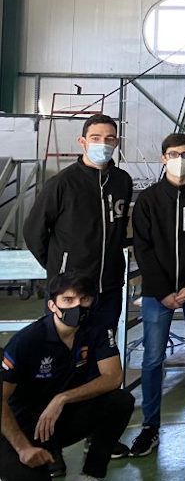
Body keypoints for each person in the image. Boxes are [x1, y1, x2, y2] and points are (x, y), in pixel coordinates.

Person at [0, 274, 135, 481]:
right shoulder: (27, 341)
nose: (77, 306)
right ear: (53, 305)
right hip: (19, 426)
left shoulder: (97, 330)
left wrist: (62, 398)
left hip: (56, 420)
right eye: (68, 299)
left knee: (120, 401)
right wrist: (23, 448)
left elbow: (113, 377)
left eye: (84, 299)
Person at [126, 133, 185, 457]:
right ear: (163, 158)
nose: (178, 158)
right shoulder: (149, 199)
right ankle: (149, 426)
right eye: (172, 153)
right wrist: (164, 290)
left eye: (184, 153)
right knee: (153, 359)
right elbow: (143, 247)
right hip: (158, 294)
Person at [24, 114, 132, 332]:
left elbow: (119, 229)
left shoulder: (122, 181)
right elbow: (33, 231)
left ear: (117, 142)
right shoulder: (62, 183)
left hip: (109, 286)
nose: (103, 144)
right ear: (82, 142)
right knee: (66, 351)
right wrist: (60, 268)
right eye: (95, 137)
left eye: (110, 138)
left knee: (103, 350)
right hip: (70, 291)